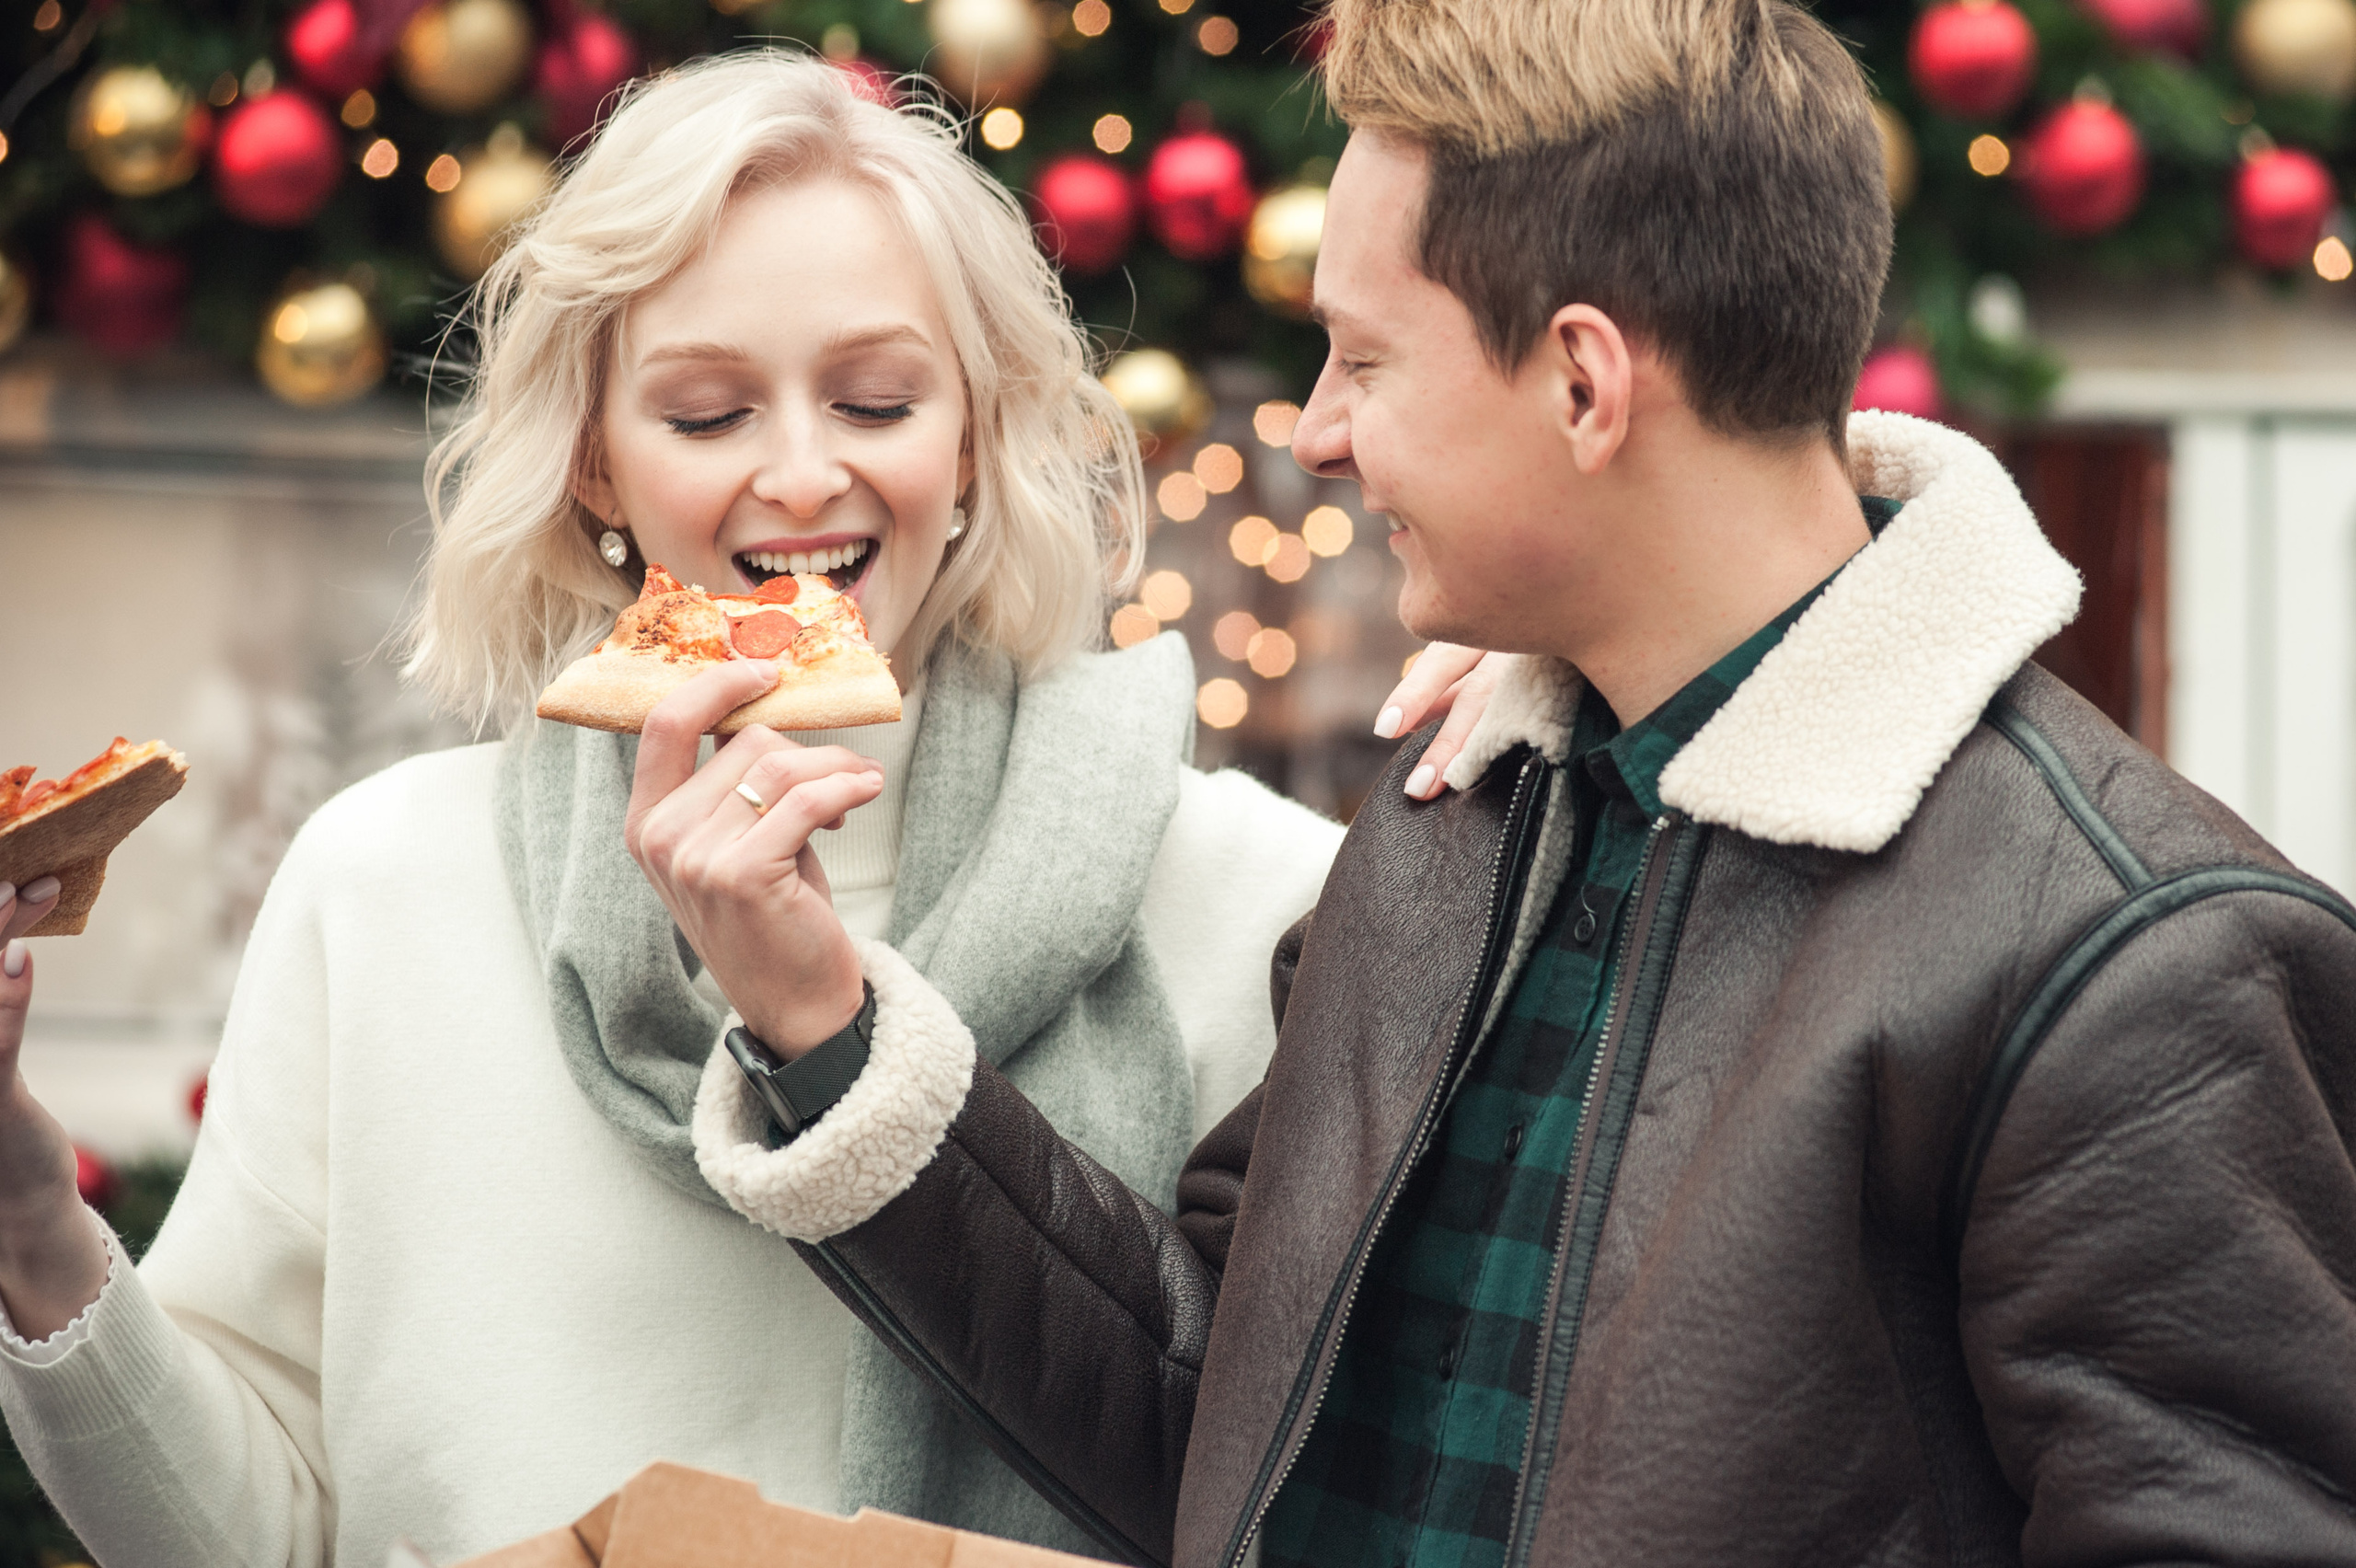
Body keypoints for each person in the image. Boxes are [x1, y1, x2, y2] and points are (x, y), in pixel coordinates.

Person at [656, 3, 2356, 1565]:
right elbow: (1214, 1434)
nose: (1316, 433)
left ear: (1584, 383)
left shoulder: (2139, 965)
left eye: (1365, 360)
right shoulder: (1451, 833)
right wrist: (826, 1026)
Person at [0, 52, 1366, 1567]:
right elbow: (245, 1539)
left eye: (875, 399)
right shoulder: (380, 882)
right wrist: (26, 1216)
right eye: (708, 415)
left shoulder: (1265, 900)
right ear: (596, 464)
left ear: (973, 435)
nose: (803, 475)